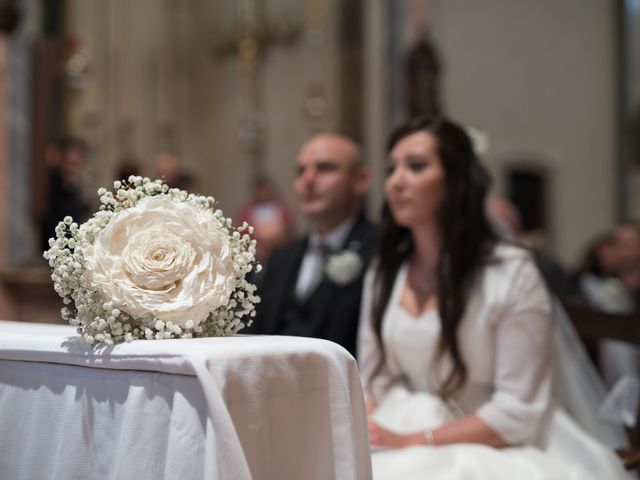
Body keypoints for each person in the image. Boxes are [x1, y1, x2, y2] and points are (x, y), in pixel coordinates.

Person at [358, 117, 627, 479]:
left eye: (416, 166)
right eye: (392, 169)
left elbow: (518, 411)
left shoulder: (511, 273)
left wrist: (412, 441)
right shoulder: (385, 271)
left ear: (455, 180)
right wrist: (363, 427)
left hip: (489, 439)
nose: (397, 181)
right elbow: (371, 383)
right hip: (397, 421)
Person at [246, 133, 376, 356]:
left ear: (360, 179)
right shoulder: (282, 258)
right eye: (301, 171)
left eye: (325, 168)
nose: (308, 180)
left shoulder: (380, 249)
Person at [235, 175, 294, 263]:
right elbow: (242, 233)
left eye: (265, 190)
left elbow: (289, 228)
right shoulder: (248, 211)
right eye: (260, 190)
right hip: (257, 255)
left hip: (280, 252)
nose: (263, 193)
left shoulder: (280, 207)